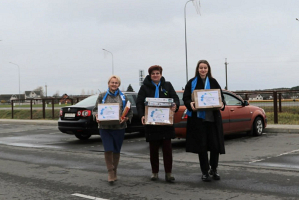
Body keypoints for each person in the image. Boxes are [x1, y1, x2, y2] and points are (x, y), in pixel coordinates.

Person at [182, 60, 226, 182]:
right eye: (201, 68)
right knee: (202, 147)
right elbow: (185, 98)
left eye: (205, 68)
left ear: (208, 69)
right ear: (197, 69)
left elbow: (221, 97)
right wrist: (190, 104)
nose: (203, 70)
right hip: (198, 121)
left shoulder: (213, 81)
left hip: (212, 120)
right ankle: (205, 172)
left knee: (215, 146)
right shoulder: (191, 82)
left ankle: (214, 169)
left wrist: (222, 104)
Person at [136, 65, 179, 183]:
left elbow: (175, 98)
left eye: (157, 73)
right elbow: (139, 102)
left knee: (167, 150)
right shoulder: (144, 87)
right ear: (150, 75)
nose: (155, 75)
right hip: (152, 124)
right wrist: (142, 115)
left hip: (166, 124)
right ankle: (154, 172)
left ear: (161, 74)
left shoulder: (167, 85)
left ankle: (168, 173)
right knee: (153, 150)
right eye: (153, 73)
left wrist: (175, 105)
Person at [93, 75, 133, 184]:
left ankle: (115, 170)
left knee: (116, 150)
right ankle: (110, 172)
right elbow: (95, 109)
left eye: (116, 83)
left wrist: (126, 118)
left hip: (119, 128)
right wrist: (96, 116)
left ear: (119, 84)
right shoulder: (102, 96)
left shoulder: (124, 97)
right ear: (108, 83)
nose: (114, 84)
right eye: (112, 82)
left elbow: (130, 112)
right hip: (104, 128)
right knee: (108, 149)